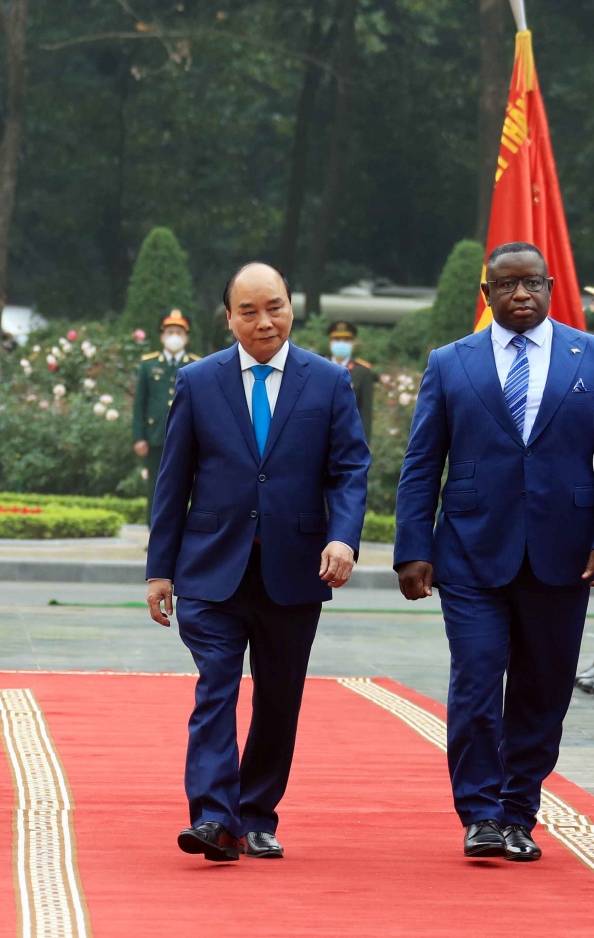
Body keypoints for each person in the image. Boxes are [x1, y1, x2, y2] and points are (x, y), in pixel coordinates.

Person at [393, 241, 594, 862]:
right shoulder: (451, 363)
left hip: (563, 554)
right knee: (476, 682)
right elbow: (423, 462)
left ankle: (517, 810)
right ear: (487, 294)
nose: (520, 294)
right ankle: (478, 813)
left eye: (531, 283)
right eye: (506, 286)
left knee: (543, 688)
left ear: (552, 286)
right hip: (472, 552)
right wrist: (412, 547)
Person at [145, 262, 370, 863]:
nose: (264, 321)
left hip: (295, 569)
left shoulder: (328, 382)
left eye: (274, 307)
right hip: (210, 567)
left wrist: (344, 538)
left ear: (292, 307)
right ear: (229, 318)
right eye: (249, 311)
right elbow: (174, 482)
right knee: (216, 687)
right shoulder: (199, 380)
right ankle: (215, 817)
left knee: (279, 696)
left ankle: (257, 812)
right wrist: (159, 569)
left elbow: (350, 470)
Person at [132, 310, 201, 518]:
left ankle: (184, 532)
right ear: (162, 336)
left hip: (187, 437)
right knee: (155, 484)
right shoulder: (149, 365)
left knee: (186, 483)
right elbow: (139, 404)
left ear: (186, 338)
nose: (174, 337)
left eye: (179, 333)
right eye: (170, 331)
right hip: (156, 436)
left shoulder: (196, 364)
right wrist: (139, 437)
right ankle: (155, 531)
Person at [327, 320, 376, 445]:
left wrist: (365, 443)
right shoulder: (319, 367)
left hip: (349, 438)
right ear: (330, 343)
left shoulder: (362, 372)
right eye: (337, 340)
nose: (341, 343)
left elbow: (365, 410)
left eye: (346, 340)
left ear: (353, 344)